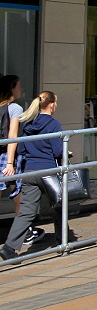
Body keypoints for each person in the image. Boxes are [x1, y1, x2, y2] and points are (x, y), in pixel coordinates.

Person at [1, 91, 67, 259]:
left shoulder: (29, 125)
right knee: (59, 206)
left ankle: (9, 247)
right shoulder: (54, 124)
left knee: (26, 212)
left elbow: (22, 149)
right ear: (52, 105)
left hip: (30, 172)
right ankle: (62, 242)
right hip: (48, 172)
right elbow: (58, 151)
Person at [0, 75, 45, 247]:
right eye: (18, 86)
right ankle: (23, 233)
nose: (21, 89)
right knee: (18, 194)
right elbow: (12, 136)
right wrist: (10, 163)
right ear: (11, 88)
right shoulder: (15, 108)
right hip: (7, 156)